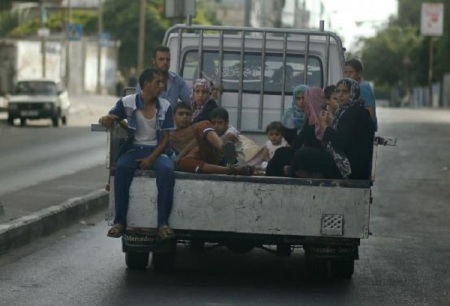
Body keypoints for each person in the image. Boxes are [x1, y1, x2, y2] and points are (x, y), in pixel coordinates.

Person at [98, 68, 176, 239]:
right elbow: (112, 116)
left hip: (156, 150)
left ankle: (162, 223)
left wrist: (151, 158)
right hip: (134, 148)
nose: (162, 86)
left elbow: (165, 140)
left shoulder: (165, 106)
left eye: (162, 82)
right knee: (122, 167)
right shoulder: (127, 102)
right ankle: (119, 222)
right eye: (158, 82)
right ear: (145, 84)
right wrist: (106, 119)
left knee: (167, 171)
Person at [290, 78, 375, 180]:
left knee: (302, 154)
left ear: (354, 92)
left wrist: (325, 126)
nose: (340, 95)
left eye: (345, 92)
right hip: (349, 160)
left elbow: (340, 142)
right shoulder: (351, 109)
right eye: (338, 91)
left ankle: (294, 174)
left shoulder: (352, 112)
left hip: (348, 166)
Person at [170, 102, 254, 175]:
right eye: (181, 114)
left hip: (213, 153)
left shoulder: (194, 127)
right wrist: (178, 159)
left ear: (192, 116)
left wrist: (179, 157)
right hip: (200, 160)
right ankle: (230, 170)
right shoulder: (169, 134)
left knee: (203, 124)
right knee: (185, 162)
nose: (184, 117)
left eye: (188, 114)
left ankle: (222, 148)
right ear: (173, 116)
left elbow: (195, 141)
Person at [266, 87, 326, 176]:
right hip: (303, 152)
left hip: (314, 156)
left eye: (306, 99)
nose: (303, 102)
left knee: (288, 154)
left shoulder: (324, 118)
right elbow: (298, 140)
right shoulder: (310, 118)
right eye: (299, 98)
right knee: (281, 151)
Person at [344, 59, 377, 129]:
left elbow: (370, 112)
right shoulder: (354, 87)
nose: (347, 75)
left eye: (351, 72)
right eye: (345, 72)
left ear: (359, 73)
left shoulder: (363, 87)